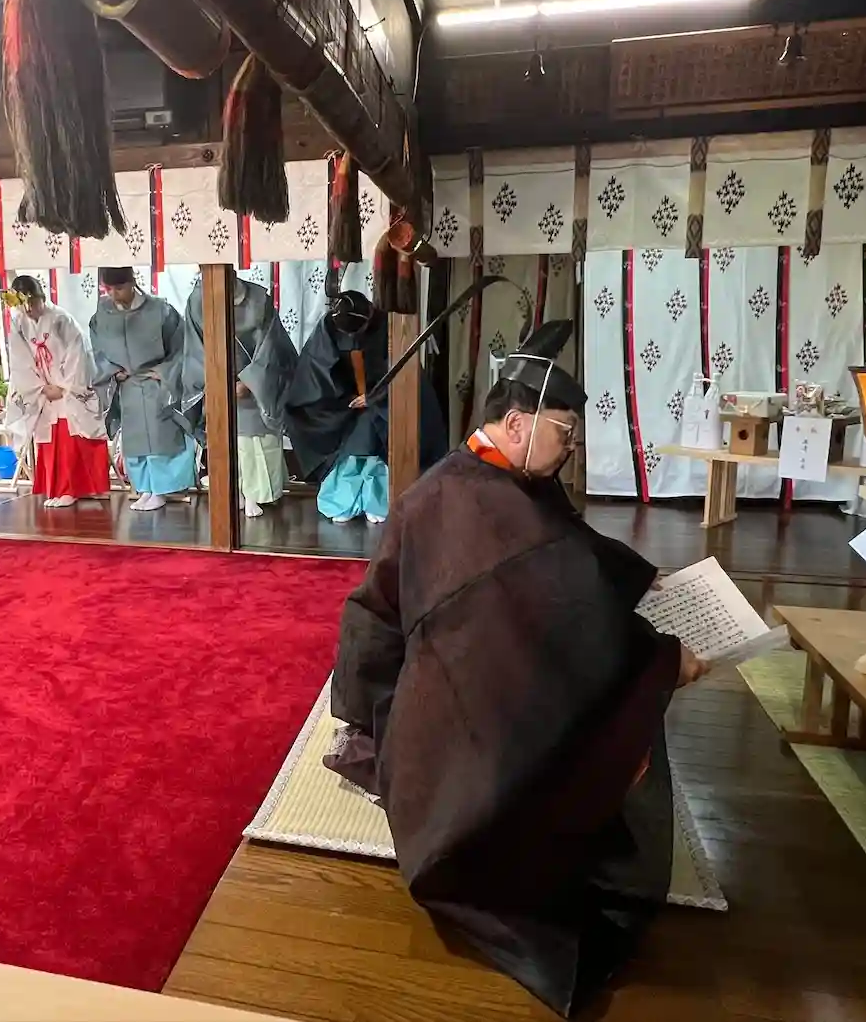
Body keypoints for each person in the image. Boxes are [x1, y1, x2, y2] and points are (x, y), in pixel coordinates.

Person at [326, 320, 707, 1019]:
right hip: (463, 729)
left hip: (431, 691)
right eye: (565, 432)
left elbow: (568, 549)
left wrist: (638, 576)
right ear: (516, 423)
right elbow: (571, 610)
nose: (571, 448)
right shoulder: (483, 506)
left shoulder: (474, 475)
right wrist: (662, 658)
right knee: (609, 689)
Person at [284, 290, 445, 524]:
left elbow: (405, 375)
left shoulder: (389, 325)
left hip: (385, 403)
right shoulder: (330, 326)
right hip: (345, 404)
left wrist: (376, 397)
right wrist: (344, 398)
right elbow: (314, 372)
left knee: (371, 429)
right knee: (345, 437)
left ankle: (375, 498)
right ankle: (347, 499)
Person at [181, 275, 298, 518]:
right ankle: (236, 492)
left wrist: (250, 381)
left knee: (254, 440)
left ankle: (255, 494)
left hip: (255, 382)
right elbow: (194, 348)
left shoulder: (259, 299)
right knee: (227, 441)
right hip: (217, 380)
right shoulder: (196, 300)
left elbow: (271, 347)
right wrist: (213, 381)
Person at [89, 266, 193, 512]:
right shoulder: (102, 313)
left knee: (159, 436)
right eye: (109, 289)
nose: (113, 294)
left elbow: (182, 346)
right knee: (135, 440)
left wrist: (165, 371)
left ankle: (162, 490)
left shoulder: (160, 310)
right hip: (127, 384)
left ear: (132, 282)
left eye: (120, 288)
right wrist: (112, 371)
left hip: (156, 383)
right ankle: (145, 488)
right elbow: (98, 350)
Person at [2, 274, 109, 508]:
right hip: (43, 388)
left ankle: (73, 489)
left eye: (32, 303)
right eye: (23, 305)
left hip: (67, 387)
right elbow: (19, 361)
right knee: (50, 441)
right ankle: (58, 489)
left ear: (41, 297)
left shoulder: (61, 319)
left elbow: (79, 353)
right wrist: (39, 388)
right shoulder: (19, 323)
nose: (29, 310)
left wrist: (65, 387)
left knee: (71, 437)